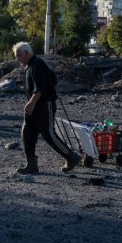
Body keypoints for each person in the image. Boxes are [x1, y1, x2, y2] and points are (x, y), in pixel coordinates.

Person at [12, 42, 81, 174]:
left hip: (44, 105)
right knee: (27, 133)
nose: (18, 59)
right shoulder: (31, 65)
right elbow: (52, 79)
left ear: (27, 53)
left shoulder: (37, 65)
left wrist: (31, 103)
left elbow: (40, 89)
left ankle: (71, 157)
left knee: (48, 133)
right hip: (35, 105)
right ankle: (31, 165)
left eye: (19, 55)